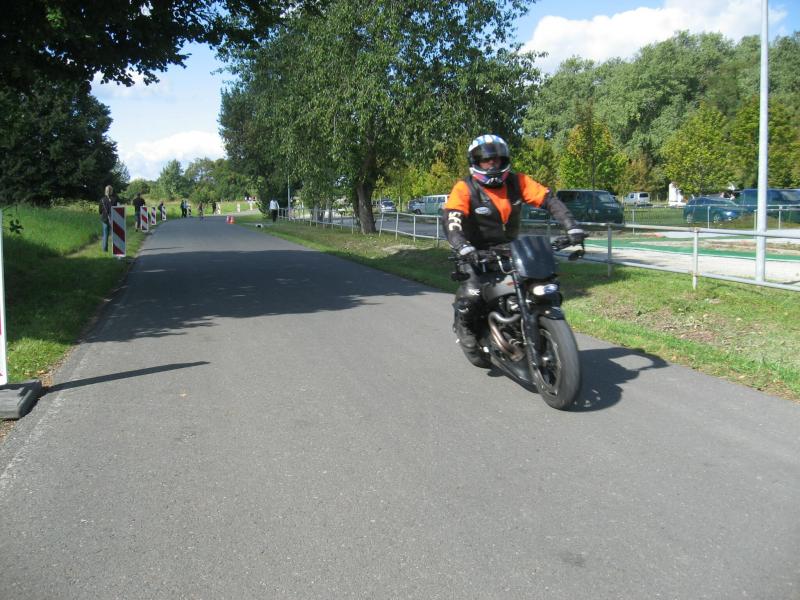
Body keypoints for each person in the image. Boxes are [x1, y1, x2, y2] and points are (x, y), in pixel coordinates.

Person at [443, 134, 585, 349]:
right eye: (486, 160)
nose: (492, 164)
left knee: (543, 285)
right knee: (473, 294)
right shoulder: (465, 188)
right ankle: (464, 325)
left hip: (509, 248)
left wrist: (571, 225)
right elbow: (452, 219)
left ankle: (537, 326)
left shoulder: (518, 181)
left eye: (497, 159)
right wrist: (462, 245)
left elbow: (548, 200)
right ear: (475, 163)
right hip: (474, 251)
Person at [98, 185, 114, 252]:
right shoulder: (114, 199)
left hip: (104, 219)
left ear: (105, 191)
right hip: (113, 218)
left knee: (105, 234)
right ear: (111, 191)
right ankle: (116, 249)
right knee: (114, 234)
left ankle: (105, 249)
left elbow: (100, 211)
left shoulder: (102, 200)